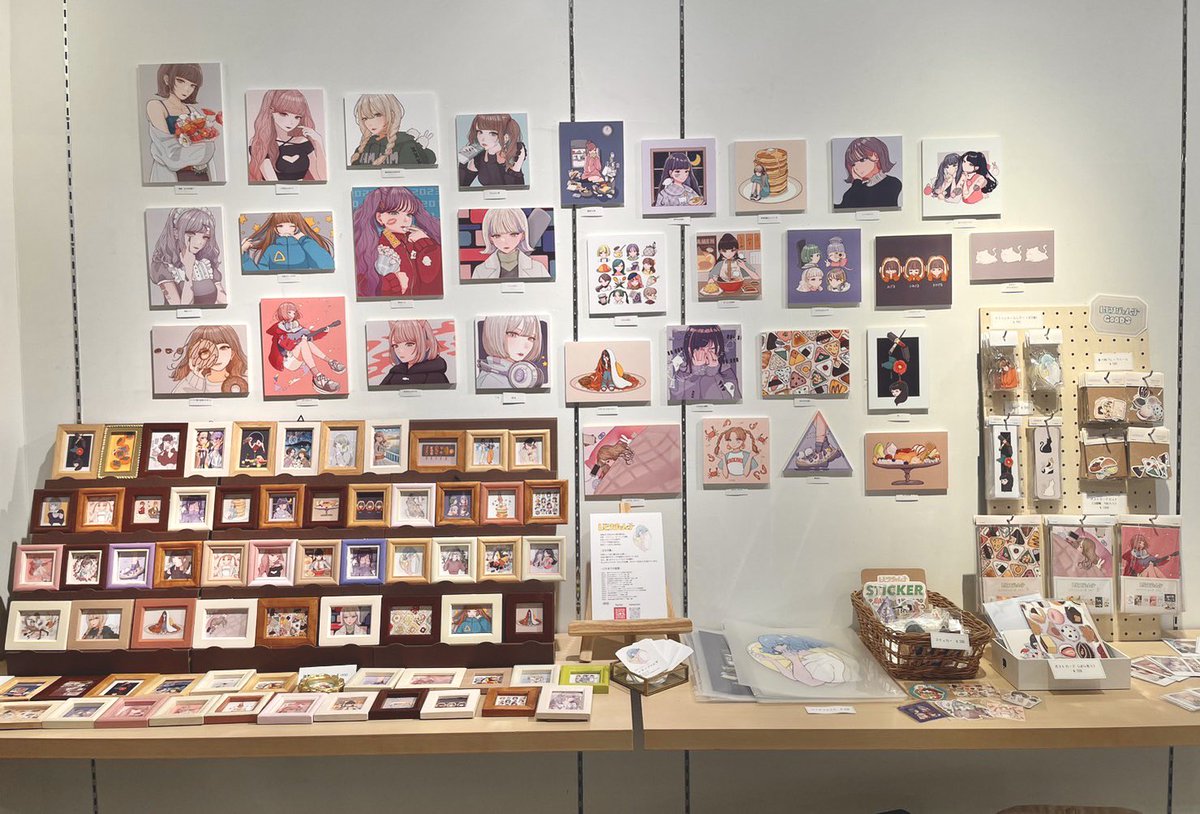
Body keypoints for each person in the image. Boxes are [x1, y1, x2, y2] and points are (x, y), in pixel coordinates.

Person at [352, 187, 442, 297]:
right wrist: (394, 282)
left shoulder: (419, 241)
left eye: (409, 214)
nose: (406, 220)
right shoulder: (376, 249)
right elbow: (368, 290)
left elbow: (435, 283)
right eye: (394, 213)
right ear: (380, 218)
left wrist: (426, 244)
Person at [144, 63, 218, 183]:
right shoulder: (156, 106)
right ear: (166, 79)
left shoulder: (191, 110)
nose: (187, 89)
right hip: (172, 175)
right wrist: (203, 148)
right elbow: (168, 151)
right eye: (181, 81)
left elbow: (204, 142)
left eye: (192, 85)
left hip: (199, 174)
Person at [264, 301, 346, 394]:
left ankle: (330, 361)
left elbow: (310, 334)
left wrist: (323, 331)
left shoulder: (296, 326)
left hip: (295, 357)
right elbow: (286, 345)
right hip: (286, 361)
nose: (292, 315)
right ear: (282, 313)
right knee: (303, 342)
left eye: (293, 313)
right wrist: (299, 340)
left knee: (306, 341)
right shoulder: (279, 330)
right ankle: (317, 376)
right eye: (289, 312)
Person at [149, 208, 226, 306]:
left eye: (205, 237)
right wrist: (189, 269)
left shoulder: (206, 265)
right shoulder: (164, 267)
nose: (199, 241)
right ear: (176, 233)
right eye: (191, 234)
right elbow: (181, 307)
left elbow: (223, 301)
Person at [247, 89, 326, 182]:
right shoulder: (261, 143)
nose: (291, 122)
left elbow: (321, 178)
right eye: (284, 114)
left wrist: (319, 142)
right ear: (270, 111)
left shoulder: (303, 142)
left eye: (297, 117)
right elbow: (272, 182)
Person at [349, 93, 435, 167]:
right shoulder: (362, 148)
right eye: (365, 118)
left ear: (392, 114)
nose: (370, 123)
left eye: (377, 115)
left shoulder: (406, 144)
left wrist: (418, 147)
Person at [470, 208, 552, 280]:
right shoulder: (480, 271)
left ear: (523, 235)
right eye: (497, 235)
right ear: (490, 238)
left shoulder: (538, 268)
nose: (505, 241)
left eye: (513, 234)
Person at [168, 325, 249, 396]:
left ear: (232, 353)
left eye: (223, 348)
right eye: (206, 350)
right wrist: (197, 380)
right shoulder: (190, 383)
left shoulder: (245, 380)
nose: (217, 356)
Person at [240, 212, 334, 272]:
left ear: (297, 227)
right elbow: (258, 274)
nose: (286, 229)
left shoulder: (305, 247)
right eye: (280, 226)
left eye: (291, 226)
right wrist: (244, 256)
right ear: (275, 229)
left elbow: (327, 265)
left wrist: (303, 239)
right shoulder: (271, 250)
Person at [667, 325, 740, 401]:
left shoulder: (726, 371)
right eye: (699, 349)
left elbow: (732, 400)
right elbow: (675, 400)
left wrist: (712, 372)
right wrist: (696, 370)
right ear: (689, 349)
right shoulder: (682, 372)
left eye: (711, 349)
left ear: (719, 349)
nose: (705, 353)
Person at [475, 315, 545, 390]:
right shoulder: (493, 379)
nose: (525, 346)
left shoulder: (513, 373)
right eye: (513, 334)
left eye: (531, 338)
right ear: (495, 333)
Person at [457, 113, 526, 187]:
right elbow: (463, 185)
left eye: (492, 134)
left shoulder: (516, 149)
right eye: (480, 132)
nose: (483, 139)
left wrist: (492, 155)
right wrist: (463, 161)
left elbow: (510, 187)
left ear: (506, 137)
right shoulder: (480, 155)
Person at [834, 137, 902, 210]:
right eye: (853, 164)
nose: (857, 167)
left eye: (862, 160)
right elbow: (843, 208)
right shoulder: (858, 188)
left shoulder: (892, 183)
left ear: (875, 156)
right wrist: (857, 181)